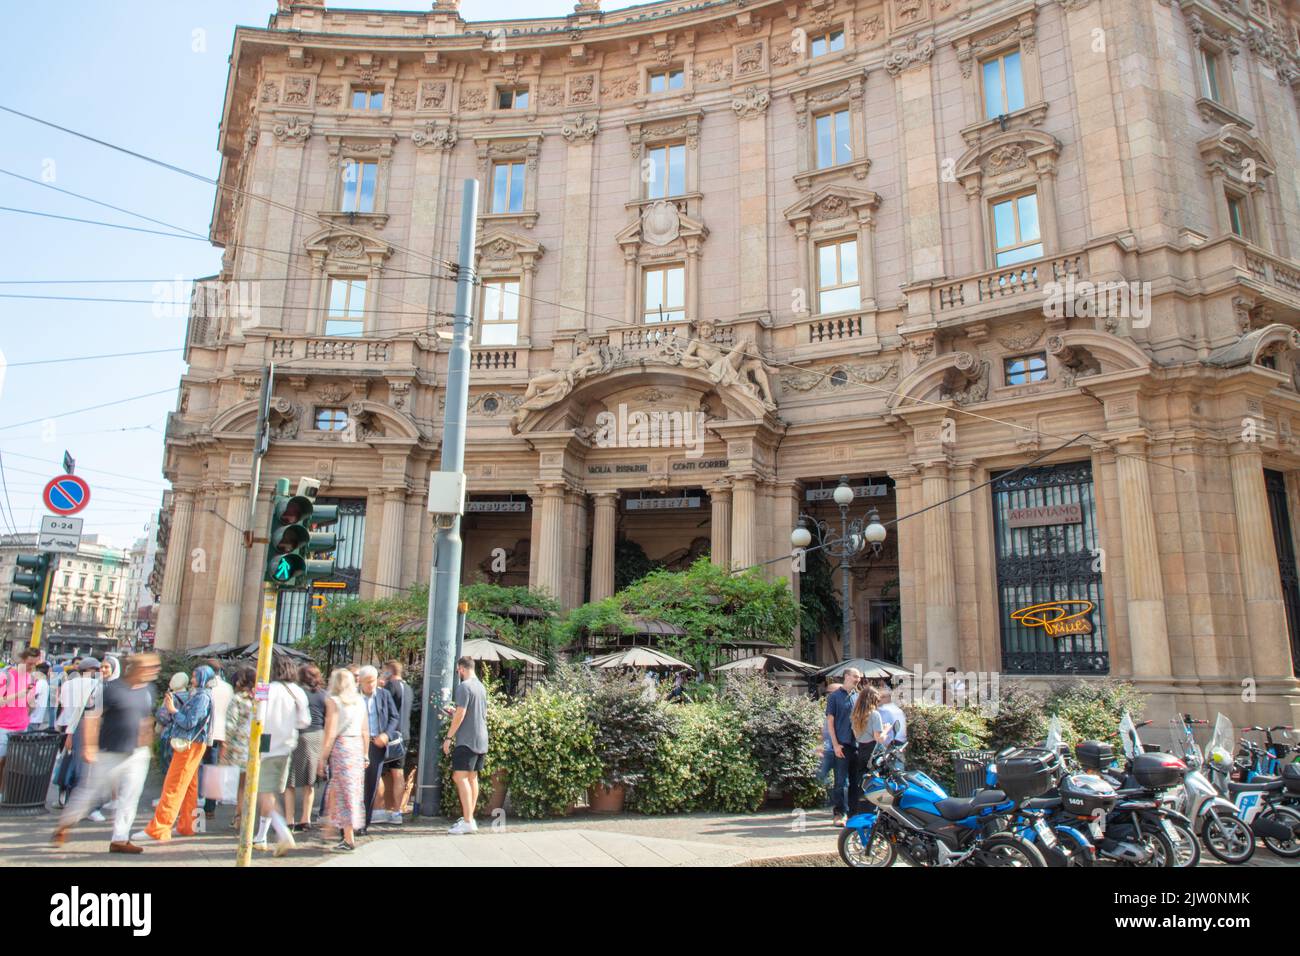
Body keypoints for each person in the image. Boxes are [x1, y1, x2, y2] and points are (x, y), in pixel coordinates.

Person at [53, 653, 160, 854]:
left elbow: (146, 719)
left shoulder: (148, 691)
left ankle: (120, 839)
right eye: (150, 667)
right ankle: (64, 824)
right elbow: (92, 718)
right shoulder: (110, 690)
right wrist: (89, 746)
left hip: (137, 753)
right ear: (136, 669)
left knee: (130, 796)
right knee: (90, 793)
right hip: (108, 751)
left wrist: (148, 747)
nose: (154, 671)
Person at [133, 665, 215, 844]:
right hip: (194, 744)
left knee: (174, 785)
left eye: (194, 676)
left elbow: (189, 722)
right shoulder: (202, 695)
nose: (192, 680)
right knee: (189, 786)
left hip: (188, 744)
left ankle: (160, 828)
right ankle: (187, 825)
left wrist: (172, 710)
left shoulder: (201, 696)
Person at [250, 654, 310, 856]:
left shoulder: (265, 689)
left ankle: (281, 831)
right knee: (272, 792)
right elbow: (304, 721)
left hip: (266, 745)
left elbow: (256, 714)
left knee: (265, 792)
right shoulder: (298, 692)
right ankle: (262, 835)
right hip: (287, 746)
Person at [319, 667, 369, 852]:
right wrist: (366, 753)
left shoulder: (334, 701)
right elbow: (365, 729)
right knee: (351, 791)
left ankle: (346, 837)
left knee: (341, 791)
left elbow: (330, 732)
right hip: (356, 746)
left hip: (341, 746)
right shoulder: (360, 701)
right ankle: (333, 829)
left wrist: (322, 757)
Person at [443, 655, 488, 835]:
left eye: (458, 670)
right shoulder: (481, 687)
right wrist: (456, 713)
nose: (458, 673)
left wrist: (448, 737)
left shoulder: (464, 687)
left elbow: (461, 714)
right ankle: (470, 817)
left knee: (460, 777)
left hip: (466, 740)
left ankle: (468, 821)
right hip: (481, 737)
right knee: (472, 777)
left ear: (462, 668)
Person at [285, 663, 326, 832]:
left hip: (298, 734)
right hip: (317, 735)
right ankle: (306, 819)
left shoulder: (296, 693)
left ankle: (289, 819)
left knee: (291, 781)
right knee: (310, 782)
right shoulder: (323, 695)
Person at [357, 665, 398, 831]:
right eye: (367, 682)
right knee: (355, 784)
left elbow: (394, 717)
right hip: (357, 743)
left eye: (373, 681)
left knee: (371, 785)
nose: (371, 685)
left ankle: (363, 824)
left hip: (376, 743)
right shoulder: (354, 697)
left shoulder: (384, 695)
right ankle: (350, 823)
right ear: (360, 682)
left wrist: (386, 734)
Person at [0, 646, 42, 785]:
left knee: (13, 764)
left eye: (35, 664)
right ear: (22, 660)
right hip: (4, 726)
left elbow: (29, 703)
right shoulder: (6, 675)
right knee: (1, 761)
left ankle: (5, 793)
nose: (32, 667)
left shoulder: (31, 679)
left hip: (22, 726)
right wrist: (20, 694)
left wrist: (29, 708)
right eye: (30, 663)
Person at [825, 667, 861, 826]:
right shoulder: (834, 697)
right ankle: (840, 813)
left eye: (859, 677)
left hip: (857, 745)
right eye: (855, 676)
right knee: (840, 782)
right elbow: (830, 722)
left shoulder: (858, 696)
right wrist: (835, 744)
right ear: (846, 676)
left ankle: (853, 813)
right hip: (841, 744)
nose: (858, 679)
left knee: (855, 781)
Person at [221, 667, 255, 831]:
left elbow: (230, 724)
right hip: (258, 745)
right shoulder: (260, 698)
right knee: (254, 784)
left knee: (241, 785)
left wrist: (225, 743)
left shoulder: (238, 699)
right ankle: (251, 817)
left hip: (240, 745)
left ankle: (239, 817)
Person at [378, 660, 410, 825]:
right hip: (404, 734)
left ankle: (379, 808)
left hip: (389, 735)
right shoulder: (408, 688)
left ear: (389, 672)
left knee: (378, 772)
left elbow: (383, 710)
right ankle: (397, 811)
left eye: (384, 671)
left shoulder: (390, 687)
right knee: (399, 773)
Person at [202, 660, 233, 819]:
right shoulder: (228, 688)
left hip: (203, 732)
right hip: (220, 733)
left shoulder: (206, 686)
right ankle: (210, 807)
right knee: (213, 769)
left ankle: (196, 805)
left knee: (196, 769)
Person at [850, 683, 882, 794]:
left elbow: (856, 736)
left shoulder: (855, 715)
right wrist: (887, 729)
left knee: (862, 781)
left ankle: (860, 807)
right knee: (874, 783)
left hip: (861, 750)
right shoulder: (875, 714)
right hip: (872, 752)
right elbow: (878, 738)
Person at [815, 681, 844, 787]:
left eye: (831, 693)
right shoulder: (824, 709)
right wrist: (819, 745)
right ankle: (828, 801)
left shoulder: (845, 709)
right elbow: (821, 730)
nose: (828, 696)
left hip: (841, 750)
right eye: (827, 693)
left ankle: (840, 803)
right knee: (820, 776)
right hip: (827, 750)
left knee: (842, 782)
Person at [870, 685, 908, 751]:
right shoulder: (897, 709)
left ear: (887, 697)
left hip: (889, 746)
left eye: (881, 697)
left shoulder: (884, 710)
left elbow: (883, 733)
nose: (878, 699)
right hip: (900, 744)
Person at [28, 662, 52, 731]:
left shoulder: (40, 683)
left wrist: (27, 714)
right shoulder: (43, 683)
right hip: (37, 717)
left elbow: (32, 699)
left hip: (33, 718)